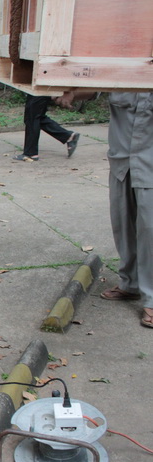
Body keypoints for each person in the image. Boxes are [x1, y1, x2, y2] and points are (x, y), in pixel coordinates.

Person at [99, 92, 153, 329]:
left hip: (150, 162)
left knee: (150, 230)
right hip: (122, 159)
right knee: (122, 223)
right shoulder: (119, 70)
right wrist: (70, 90)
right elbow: (91, 87)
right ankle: (130, 283)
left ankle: (152, 298)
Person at [13, 95, 79, 162]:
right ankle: (68, 136)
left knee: (32, 118)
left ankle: (30, 153)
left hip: (39, 91)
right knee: (38, 117)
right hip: (40, 91)